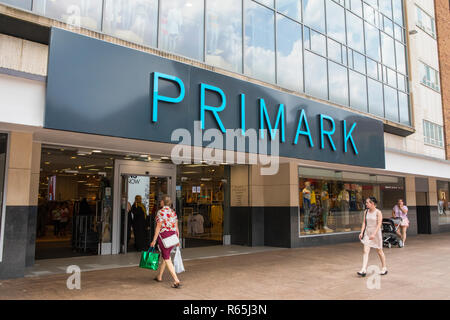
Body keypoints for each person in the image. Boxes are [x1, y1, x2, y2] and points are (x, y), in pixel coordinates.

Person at [150, 195, 182, 288]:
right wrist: (177, 239)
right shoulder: (173, 212)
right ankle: (159, 276)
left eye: (161, 201)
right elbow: (176, 228)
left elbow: (158, 227)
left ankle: (176, 280)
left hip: (164, 237)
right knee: (165, 256)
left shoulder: (160, 212)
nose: (160, 202)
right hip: (173, 236)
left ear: (163, 202)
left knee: (167, 258)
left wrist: (154, 240)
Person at [357, 197, 388, 277]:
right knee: (365, 250)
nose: (366, 204)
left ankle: (384, 268)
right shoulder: (366, 212)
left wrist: (374, 234)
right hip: (367, 232)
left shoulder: (378, 212)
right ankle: (363, 269)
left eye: (367, 203)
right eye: (366, 202)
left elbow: (379, 224)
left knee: (379, 251)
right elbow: (364, 222)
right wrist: (361, 232)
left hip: (376, 233)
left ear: (372, 203)